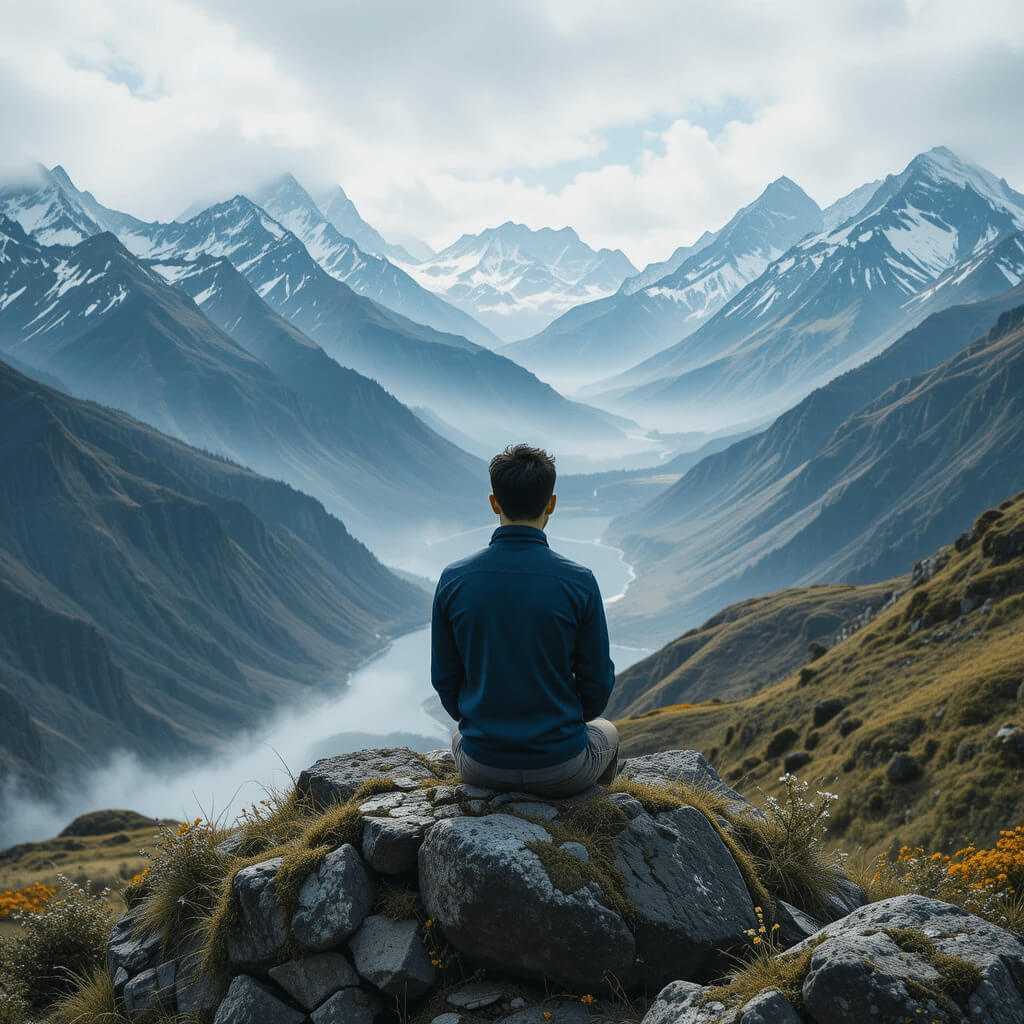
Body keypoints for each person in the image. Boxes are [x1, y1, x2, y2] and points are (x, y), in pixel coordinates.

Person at [430, 443, 619, 797]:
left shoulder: (453, 579)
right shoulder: (579, 581)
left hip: (481, 766)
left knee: (458, 735)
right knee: (607, 730)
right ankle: (588, 811)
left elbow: (444, 679)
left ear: (494, 503)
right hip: (562, 767)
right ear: (551, 504)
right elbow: (597, 685)